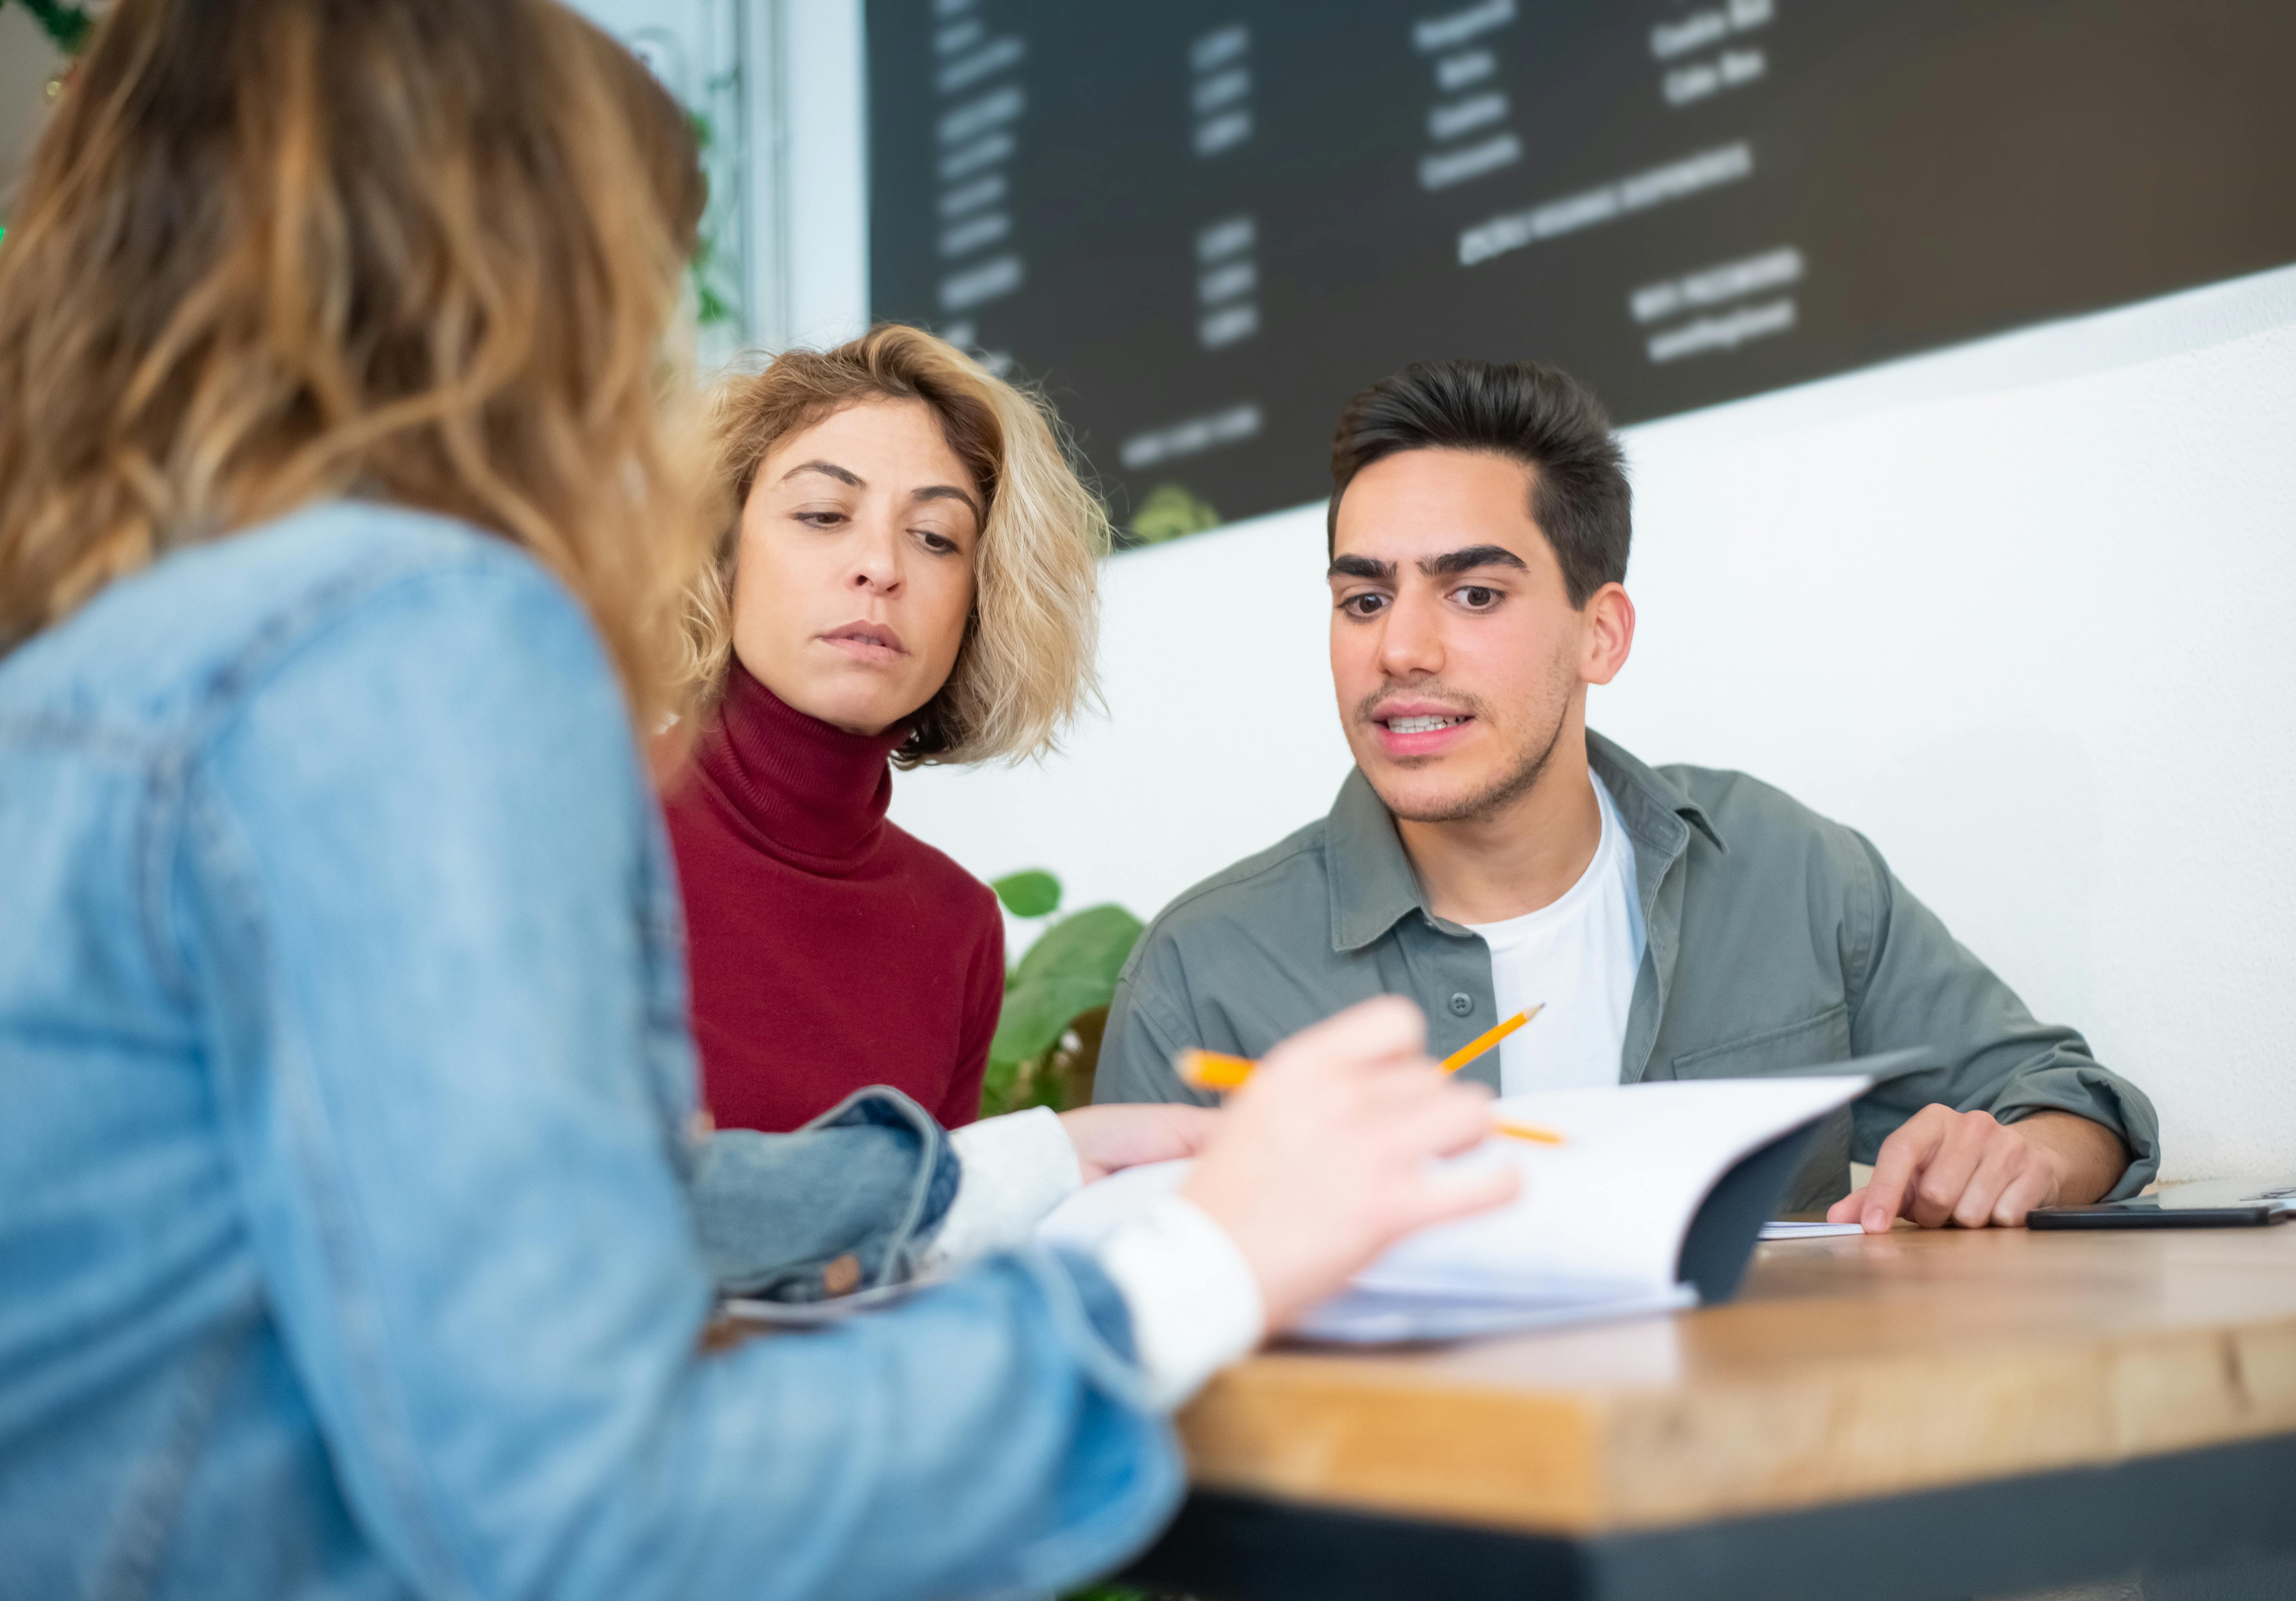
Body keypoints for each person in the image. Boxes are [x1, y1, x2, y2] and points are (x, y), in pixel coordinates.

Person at [0, 4, 1516, 1597]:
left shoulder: (101, 669)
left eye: (936, 535)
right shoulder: (411, 639)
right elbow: (584, 1509)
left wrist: (1023, 1164)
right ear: (511, 280)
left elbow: (496, 1209)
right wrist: (1201, 1268)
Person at [1096, 358, 2162, 1230]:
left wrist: (2013, 1160)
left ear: (1599, 634)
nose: (1401, 649)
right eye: (1364, 598)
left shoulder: (1786, 870)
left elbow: (2072, 1107)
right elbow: (1131, 1319)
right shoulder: (1206, 968)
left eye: (1474, 594)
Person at [665, 327, 1098, 1134]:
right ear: (716, 554)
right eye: (824, 513)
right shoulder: (581, 823)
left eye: (935, 537)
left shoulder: (957, 929)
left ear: (979, 605)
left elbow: (931, 1246)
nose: (881, 566)